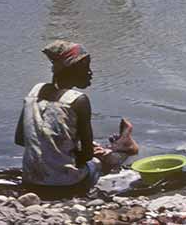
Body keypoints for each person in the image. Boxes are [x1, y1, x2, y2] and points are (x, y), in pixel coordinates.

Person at [14, 41, 138, 194]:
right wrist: (86, 152)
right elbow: (85, 156)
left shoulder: (34, 91)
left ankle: (118, 144)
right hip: (67, 185)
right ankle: (124, 148)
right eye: (85, 68)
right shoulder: (78, 100)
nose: (90, 72)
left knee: (84, 147)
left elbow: (20, 139)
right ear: (72, 70)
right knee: (106, 160)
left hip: (30, 181)